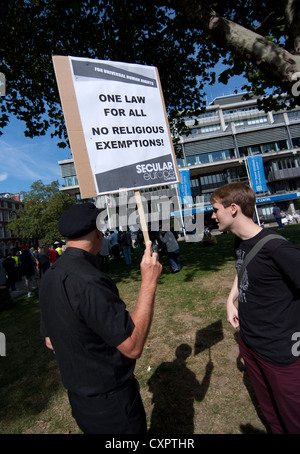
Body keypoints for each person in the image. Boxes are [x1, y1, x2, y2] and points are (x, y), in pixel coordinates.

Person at [39, 202, 162, 434]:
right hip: (112, 404)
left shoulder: (49, 276)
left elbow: (50, 340)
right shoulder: (89, 280)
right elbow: (132, 346)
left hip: (80, 400)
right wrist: (149, 282)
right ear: (98, 232)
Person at [210, 182, 300, 434]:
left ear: (234, 209)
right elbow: (243, 271)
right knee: (271, 414)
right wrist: (230, 300)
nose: (212, 215)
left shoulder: (277, 248)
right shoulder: (240, 244)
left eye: (216, 209)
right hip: (250, 343)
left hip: (282, 353)